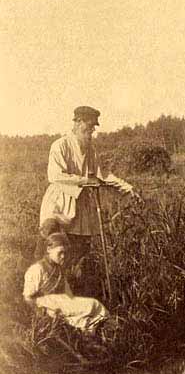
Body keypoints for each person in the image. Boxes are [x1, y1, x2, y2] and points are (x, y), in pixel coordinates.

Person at [39, 106, 136, 269]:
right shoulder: (60, 145)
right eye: (88, 125)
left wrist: (127, 188)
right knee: (50, 248)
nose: (91, 130)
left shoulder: (90, 149)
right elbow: (55, 176)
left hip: (80, 206)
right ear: (77, 122)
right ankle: (40, 287)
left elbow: (102, 175)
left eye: (93, 126)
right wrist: (85, 181)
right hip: (58, 204)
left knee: (79, 254)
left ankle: (73, 287)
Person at [23, 232, 109, 332]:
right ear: (49, 250)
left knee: (87, 315)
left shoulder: (59, 270)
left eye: (65, 253)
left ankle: (91, 334)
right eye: (60, 253)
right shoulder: (37, 269)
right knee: (93, 304)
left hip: (60, 304)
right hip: (46, 305)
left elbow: (68, 295)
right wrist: (43, 313)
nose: (63, 256)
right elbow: (27, 297)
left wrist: (72, 304)